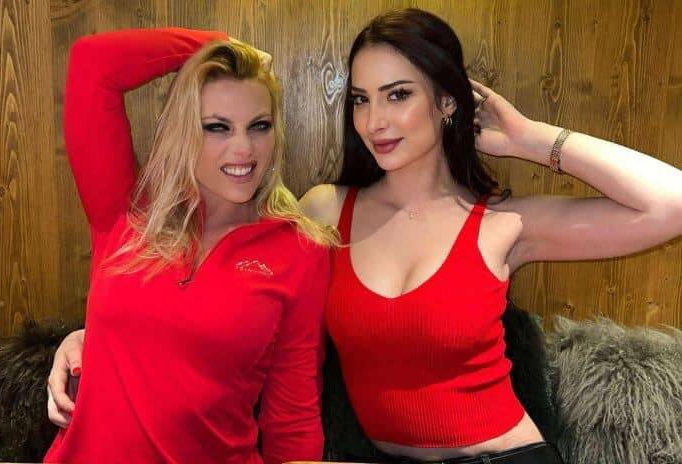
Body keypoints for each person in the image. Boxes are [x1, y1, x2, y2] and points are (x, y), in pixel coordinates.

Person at [48, 8, 682, 464]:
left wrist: (529, 139)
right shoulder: (325, 214)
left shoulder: (502, 223)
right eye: (360, 99)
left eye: (398, 95)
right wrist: (94, 334)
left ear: (447, 101)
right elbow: (208, 289)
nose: (375, 120)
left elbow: (670, 205)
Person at [43, 27, 337, 464]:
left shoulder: (299, 251)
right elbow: (93, 62)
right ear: (184, 132)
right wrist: (223, 44)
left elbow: (292, 418)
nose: (243, 148)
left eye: (259, 126)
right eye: (217, 127)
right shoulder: (127, 212)